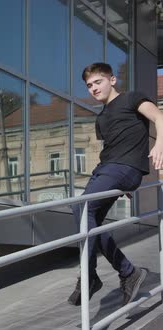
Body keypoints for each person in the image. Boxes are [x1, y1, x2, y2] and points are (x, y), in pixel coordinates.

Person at [67, 63, 163, 307]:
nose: (93, 88)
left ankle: (88, 276)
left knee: (83, 208)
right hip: (108, 170)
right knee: (86, 217)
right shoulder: (101, 119)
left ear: (112, 79)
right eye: (89, 85)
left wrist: (159, 144)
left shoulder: (132, 98)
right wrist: (113, 182)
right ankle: (128, 272)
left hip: (124, 168)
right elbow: (110, 149)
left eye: (98, 82)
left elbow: (158, 117)